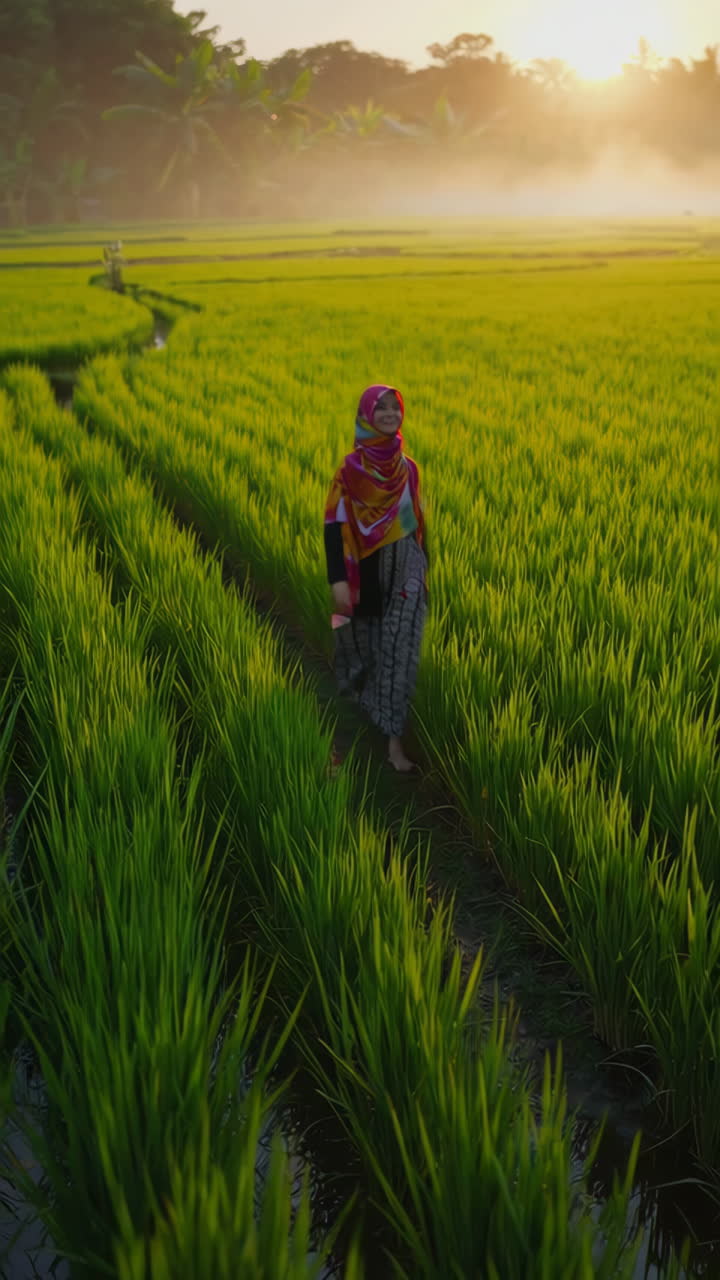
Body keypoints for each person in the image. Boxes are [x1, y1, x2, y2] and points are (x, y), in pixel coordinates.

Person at [324, 383, 428, 773]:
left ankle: (394, 748)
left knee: (399, 659)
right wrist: (338, 580)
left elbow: (418, 524)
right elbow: (333, 527)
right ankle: (344, 745)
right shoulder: (349, 472)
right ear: (367, 414)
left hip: (406, 572)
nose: (389, 414)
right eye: (380, 408)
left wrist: (423, 571)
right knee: (356, 658)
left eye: (395, 408)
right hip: (362, 575)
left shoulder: (409, 469)